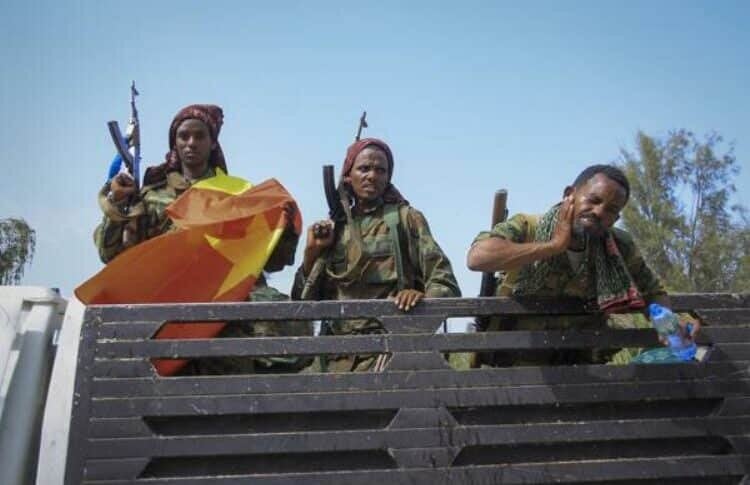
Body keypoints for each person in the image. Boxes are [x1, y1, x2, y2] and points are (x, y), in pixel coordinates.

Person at [94, 104, 310, 374]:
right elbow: (110, 253)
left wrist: (286, 227)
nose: (191, 143)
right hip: (169, 312)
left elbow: (272, 262)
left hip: (227, 315)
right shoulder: (150, 196)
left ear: (213, 143)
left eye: (200, 136)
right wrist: (118, 202)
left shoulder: (239, 195)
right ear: (174, 142)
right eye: (184, 136)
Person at [467, 164, 698, 366]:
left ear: (616, 218)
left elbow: (652, 292)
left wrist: (668, 326)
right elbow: (478, 258)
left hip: (582, 364)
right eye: (594, 200)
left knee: (680, 356)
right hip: (516, 364)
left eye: (610, 210)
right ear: (570, 194)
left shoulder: (617, 246)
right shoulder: (528, 226)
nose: (599, 212)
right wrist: (553, 246)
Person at [291, 137, 461, 372]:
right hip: (336, 356)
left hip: (389, 353)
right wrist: (312, 253)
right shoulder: (336, 227)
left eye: (381, 170)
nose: (372, 175)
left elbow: (444, 282)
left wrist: (418, 306)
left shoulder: (405, 219)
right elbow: (303, 303)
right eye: (364, 168)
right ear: (348, 176)